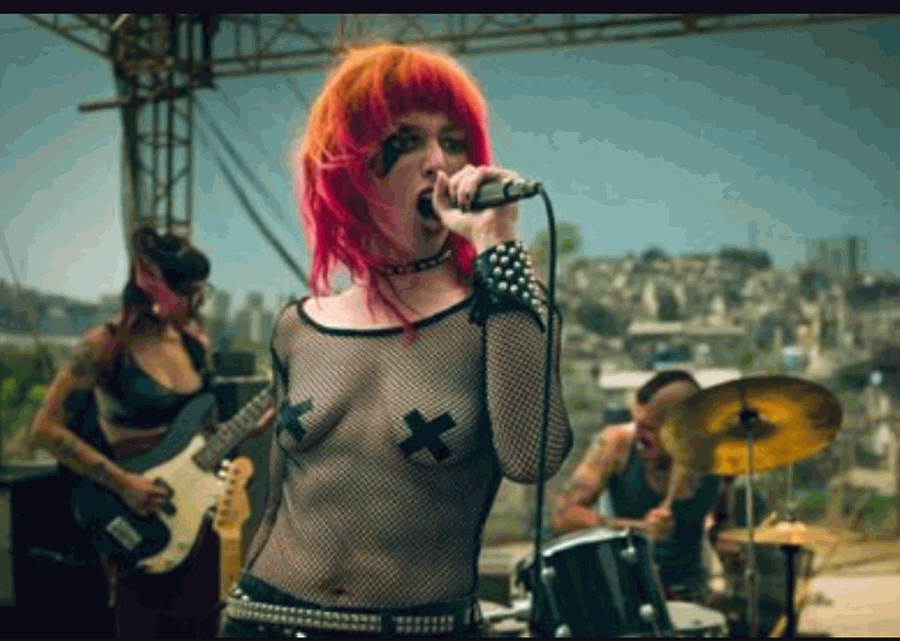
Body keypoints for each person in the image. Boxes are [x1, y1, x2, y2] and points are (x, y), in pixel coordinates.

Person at [218, 42, 573, 639]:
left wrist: (498, 244)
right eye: (406, 141)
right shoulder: (297, 327)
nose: (438, 163)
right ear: (351, 170)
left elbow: (532, 458)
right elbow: (278, 500)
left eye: (453, 142)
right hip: (265, 619)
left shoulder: (501, 314)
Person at [30, 227, 274, 638]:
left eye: (202, 290)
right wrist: (124, 484)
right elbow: (44, 430)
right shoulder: (104, 345)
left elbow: (198, 432)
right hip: (138, 517)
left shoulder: (195, 342)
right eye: (188, 291)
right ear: (151, 285)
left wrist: (243, 433)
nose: (197, 301)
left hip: (199, 517)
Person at [551, 370, 720, 604]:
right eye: (637, 423)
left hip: (692, 594)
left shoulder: (716, 456)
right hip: (629, 593)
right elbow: (564, 516)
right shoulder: (617, 443)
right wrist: (636, 529)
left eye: (650, 428)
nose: (640, 435)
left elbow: (723, 523)